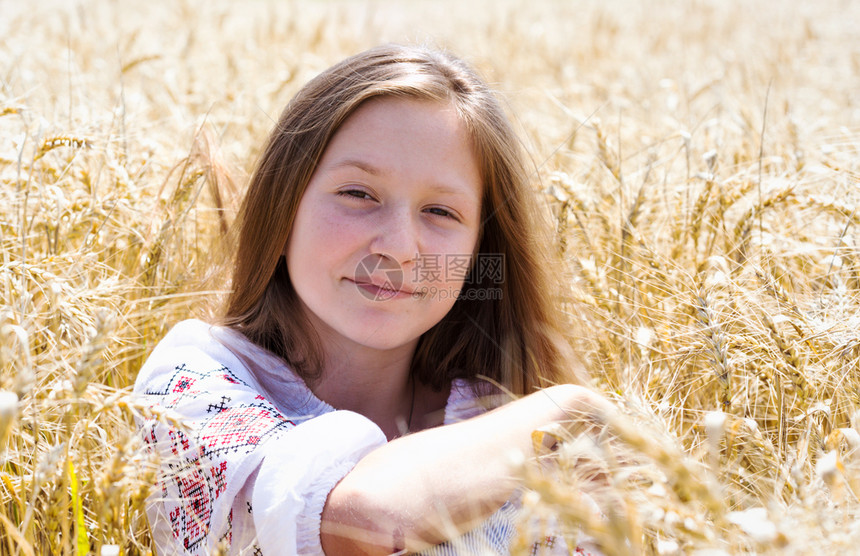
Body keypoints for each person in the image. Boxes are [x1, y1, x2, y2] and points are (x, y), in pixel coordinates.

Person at [134, 44, 611, 555]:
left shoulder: (503, 417)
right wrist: (569, 406)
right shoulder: (194, 380)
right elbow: (362, 524)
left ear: (479, 251)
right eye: (358, 194)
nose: (399, 247)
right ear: (284, 202)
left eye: (441, 212)